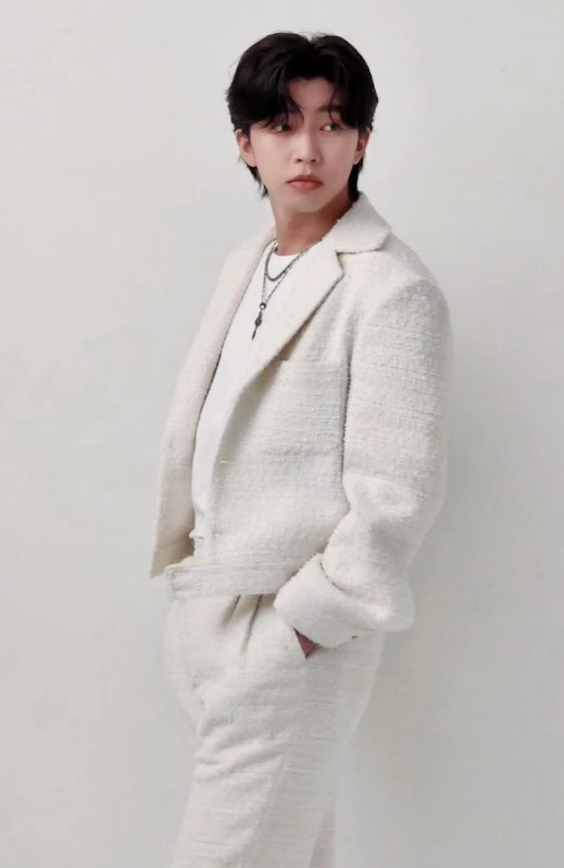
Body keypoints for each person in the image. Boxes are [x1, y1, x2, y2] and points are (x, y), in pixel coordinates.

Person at [150, 30, 453, 868]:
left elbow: (398, 490)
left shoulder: (391, 288)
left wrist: (299, 631)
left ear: (362, 139)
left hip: (290, 639)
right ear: (245, 142)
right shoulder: (246, 265)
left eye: (332, 122)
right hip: (208, 615)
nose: (308, 149)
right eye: (283, 124)